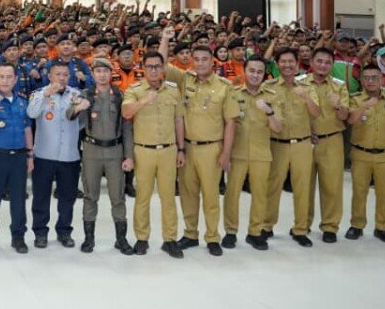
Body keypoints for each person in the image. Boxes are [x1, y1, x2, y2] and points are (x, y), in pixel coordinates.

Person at [160, 30, 231, 257]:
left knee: (211, 196)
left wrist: (226, 153)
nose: (200, 63)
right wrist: (165, 39)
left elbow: (231, 122)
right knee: (188, 194)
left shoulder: (224, 86)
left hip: (212, 148)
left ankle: (212, 237)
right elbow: (161, 64)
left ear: (213, 61)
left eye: (204, 59)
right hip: (187, 148)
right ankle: (190, 234)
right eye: (196, 59)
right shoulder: (185, 79)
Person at [121, 52, 186, 259]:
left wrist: (181, 149)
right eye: (149, 66)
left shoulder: (173, 91)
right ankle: (142, 238)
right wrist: (145, 100)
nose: (154, 70)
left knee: (169, 197)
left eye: (157, 66)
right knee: (143, 197)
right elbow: (126, 113)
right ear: (143, 68)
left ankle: (170, 239)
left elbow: (179, 120)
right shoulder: (135, 90)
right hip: (144, 151)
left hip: (168, 150)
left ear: (163, 68)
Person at [73, 57, 134, 255]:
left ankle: (121, 239)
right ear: (92, 74)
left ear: (111, 74)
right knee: (90, 196)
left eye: (105, 71)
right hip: (92, 152)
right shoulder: (85, 95)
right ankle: (89, 239)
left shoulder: (120, 96)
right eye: (98, 71)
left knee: (118, 197)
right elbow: (69, 116)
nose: (102, 75)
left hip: (115, 152)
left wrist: (129, 156)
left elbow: (127, 128)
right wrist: (78, 108)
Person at [220, 55, 282, 251]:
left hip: (261, 154)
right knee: (232, 193)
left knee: (260, 195)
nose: (255, 75)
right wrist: (225, 153)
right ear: (244, 71)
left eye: (259, 72)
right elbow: (226, 123)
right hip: (237, 153)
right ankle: (230, 232)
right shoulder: (233, 93)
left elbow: (278, 128)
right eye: (252, 71)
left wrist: (269, 111)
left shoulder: (271, 96)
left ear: (264, 74)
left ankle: (255, 232)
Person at [265, 48, 321, 247]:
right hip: (277, 144)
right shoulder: (268, 87)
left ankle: (300, 228)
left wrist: (305, 97)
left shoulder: (307, 86)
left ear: (297, 64)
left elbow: (316, 112)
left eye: (291, 62)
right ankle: (266, 225)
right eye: (283, 61)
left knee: (302, 187)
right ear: (277, 64)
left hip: (302, 144)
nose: (287, 65)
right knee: (272, 186)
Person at [0, 63, 33, 254]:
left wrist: (30, 154)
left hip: (18, 157)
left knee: (18, 199)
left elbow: (27, 128)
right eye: (1, 76)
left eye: (9, 77)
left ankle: (18, 237)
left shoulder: (22, 101)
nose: (5, 80)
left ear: (15, 79)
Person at [27, 61, 82, 249]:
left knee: (67, 197)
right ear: (49, 76)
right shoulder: (39, 93)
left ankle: (64, 231)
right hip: (44, 155)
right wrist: (45, 95)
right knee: (41, 197)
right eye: (57, 74)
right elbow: (31, 113)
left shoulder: (76, 95)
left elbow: (82, 122)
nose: (61, 78)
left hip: (69, 156)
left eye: (65, 74)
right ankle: (40, 232)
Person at [345, 63, 385, 242]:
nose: (370, 81)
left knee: (384, 193)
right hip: (361, 153)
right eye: (367, 78)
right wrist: (365, 105)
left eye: (375, 78)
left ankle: (382, 227)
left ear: (382, 80)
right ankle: (357, 225)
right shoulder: (355, 99)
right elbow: (351, 120)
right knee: (359, 192)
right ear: (361, 81)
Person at [300, 47, 351, 243]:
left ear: (332, 65)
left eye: (328, 62)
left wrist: (338, 105)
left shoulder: (339, 86)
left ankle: (330, 226)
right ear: (311, 62)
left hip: (332, 140)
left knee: (332, 186)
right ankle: (302, 224)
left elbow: (345, 116)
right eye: (319, 61)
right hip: (305, 141)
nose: (323, 65)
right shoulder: (299, 83)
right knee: (304, 185)